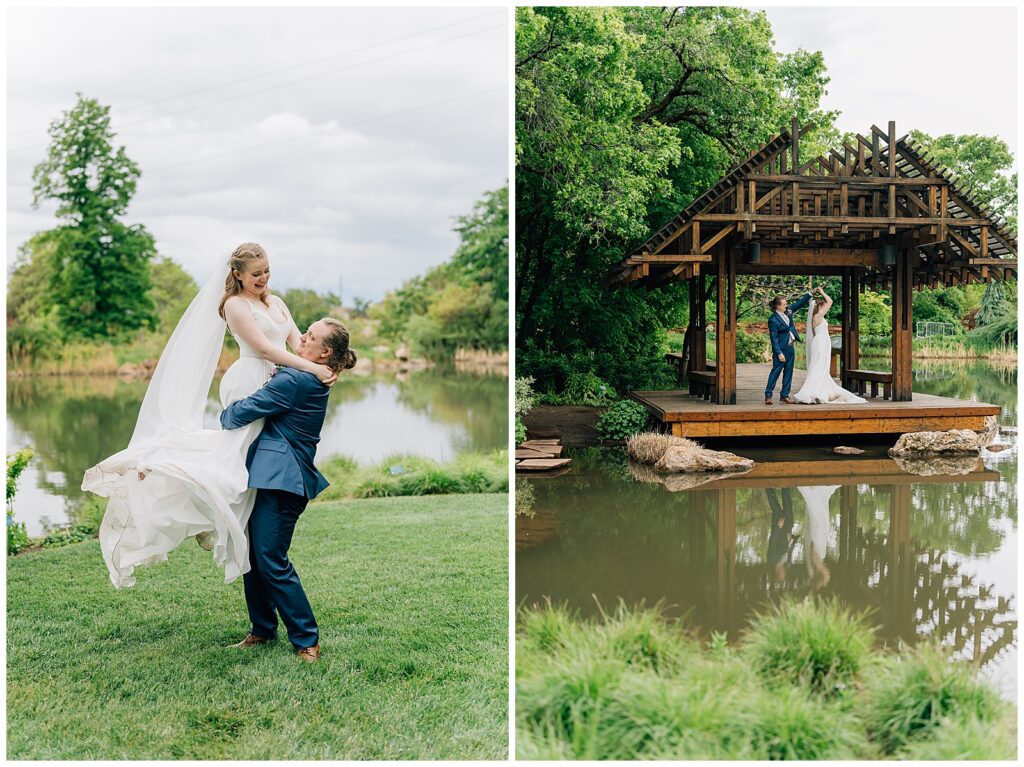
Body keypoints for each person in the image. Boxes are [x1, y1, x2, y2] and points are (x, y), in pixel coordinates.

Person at [82, 243, 337, 589]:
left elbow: (296, 343)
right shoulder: (233, 305)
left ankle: (239, 528)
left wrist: (323, 368)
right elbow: (263, 348)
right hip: (250, 380)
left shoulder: (276, 303)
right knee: (233, 461)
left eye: (266, 272)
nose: (263, 279)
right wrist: (311, 368)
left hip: (278, 380)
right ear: (238, 275)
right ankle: (192, 497)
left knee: (249, 465)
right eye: (256, 274)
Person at [220, 318, 357, 662]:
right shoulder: (309, 372)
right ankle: (263, 629)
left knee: (271, 559)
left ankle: (306, 639)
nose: (302, 337)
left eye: (310, 336)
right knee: (255, 555)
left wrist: (227, 410)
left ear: (324, 352)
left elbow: (238, 415)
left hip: (283, 480)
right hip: (270, 476)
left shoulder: (296, 378)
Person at [792, 287, 866, 405]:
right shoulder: (819, 316)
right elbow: (830, 301)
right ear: (819, 307)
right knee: (820, 367)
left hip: (819, 341)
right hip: (822, 342)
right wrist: (822, 292)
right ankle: (815, 392)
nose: (825, 307)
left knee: (818, 367)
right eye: (822, 306)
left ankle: (818, 389)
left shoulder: (814, 319)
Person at [765, 289, 814, 405]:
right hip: (781, 350)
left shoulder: (788, 312)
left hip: (790, 347)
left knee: (788, 372)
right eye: (784, 304)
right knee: (775, 372)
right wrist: (779, 353)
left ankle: (785, 395)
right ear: (778, 306)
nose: (787, 306)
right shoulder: (773, 320)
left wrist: (810, 294)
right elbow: (774, 338)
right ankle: (768, 395)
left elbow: (798, 304)